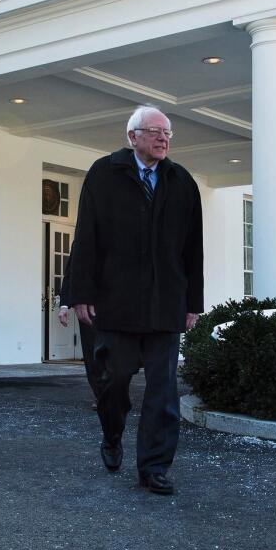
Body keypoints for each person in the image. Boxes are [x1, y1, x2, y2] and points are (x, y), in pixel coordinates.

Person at [68, 105, 203, 495]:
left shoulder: (182, 181)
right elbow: (86, 238)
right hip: (116, 303)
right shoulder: (103, 174)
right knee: (114, 381)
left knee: (163, 391)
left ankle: (154, 467)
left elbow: (193, 248)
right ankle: (112, 433)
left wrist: (193, 301)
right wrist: (81, 294)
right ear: (133, 136)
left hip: (166, 305)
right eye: (155, 132)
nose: (163, 139)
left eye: (167, 133)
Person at [57, 254, 103, 403]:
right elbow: (72, 271)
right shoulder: (84, 235)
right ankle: (101, 396)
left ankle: (115, 393)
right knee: (92, 353)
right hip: (88, 307)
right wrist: (64, 305)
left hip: (118, 303)